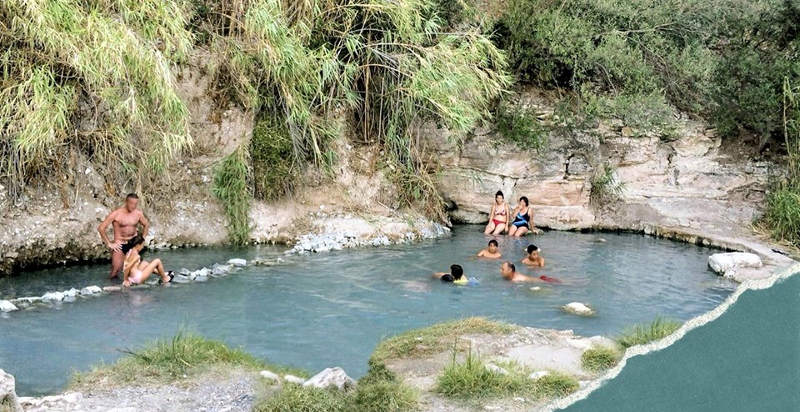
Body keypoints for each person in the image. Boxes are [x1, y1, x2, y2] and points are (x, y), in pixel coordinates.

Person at [98, 193, 150, 279]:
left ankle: (162, 274)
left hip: (133, 244)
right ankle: (113, 289)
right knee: (115, 270)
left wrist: (142, 239)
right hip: (120, 244)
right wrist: (109, 243)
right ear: (126, 202)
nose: (133, 206)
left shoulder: (138, 213)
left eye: (135, 204)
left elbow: (146, 225)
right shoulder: (116, 214)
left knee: (135, 268)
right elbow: (101, 228)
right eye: (131, 203)